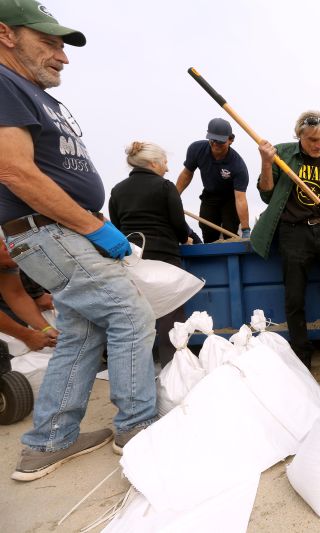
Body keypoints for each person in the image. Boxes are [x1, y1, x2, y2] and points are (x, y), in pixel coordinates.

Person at [0, 1, 157, 480]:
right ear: (5, 34)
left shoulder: (28, 91)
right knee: (131, 313)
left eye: (62, 46)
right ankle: (138, 429)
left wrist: (92, 215)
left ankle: (48, 442)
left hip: (62, 230)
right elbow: (12, 168)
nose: (62, 56)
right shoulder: (4, 83)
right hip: (48, 231)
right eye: (48, 42)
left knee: (82, 333)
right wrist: (93, 227)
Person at [250, 111, 320, 369]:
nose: (318, 145)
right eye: (313, 139)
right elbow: (266, 195)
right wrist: (266, 163)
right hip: (293, 233)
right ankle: (302, 359)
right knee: (295, 298)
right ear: (299, 134)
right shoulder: (282, 155)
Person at [109, 141, 190, 367]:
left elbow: (116, 227)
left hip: (133, 260)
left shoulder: (117, 190)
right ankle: (172, 368)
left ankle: (135, 369)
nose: (167, 168)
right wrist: (186, 238)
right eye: (165, 162)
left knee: (136, 315)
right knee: (170, 316)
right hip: (165, 257)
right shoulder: (165, 187)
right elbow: (178, 224)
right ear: (154, 163)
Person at [176, 118, 251, 242]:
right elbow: (186, 175)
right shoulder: (196, 149)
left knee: (230, 229)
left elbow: (240, 198)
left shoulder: (238, 165)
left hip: (230, 198)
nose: (215, 144)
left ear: (231, 140)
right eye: (213, 140)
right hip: (209, 195)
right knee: (207, 229)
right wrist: (174, 196)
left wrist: (246, 229)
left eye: (220, 141)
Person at [0, 238, 57, 351]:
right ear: (6, 248)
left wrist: (46, 329)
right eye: (7, 267)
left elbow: (16, 295)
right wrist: (27, 336)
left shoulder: (8, 257)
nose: (11, 269)